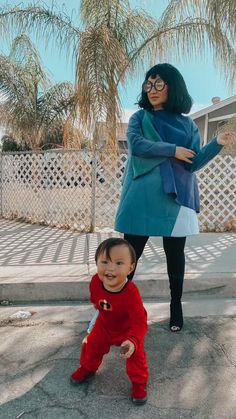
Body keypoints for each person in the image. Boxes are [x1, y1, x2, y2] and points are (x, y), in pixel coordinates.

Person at [115, 63, 236, 333]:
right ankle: (116, 310)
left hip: (177, 197)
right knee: (128, 257)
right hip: (142, 198)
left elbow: (192, 163)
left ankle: (176, 306)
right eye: (149, 84)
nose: (152, 90)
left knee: (175, 254)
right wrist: (173, 150)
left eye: (159, 84)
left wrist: (216, 143)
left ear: (173, 87)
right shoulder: (139, 118)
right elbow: (138, 146)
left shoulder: (187, 124)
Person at [70, 237, 148, 405]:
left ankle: (139, 383)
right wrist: (95, 322)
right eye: (105, 261)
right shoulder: (95, 282)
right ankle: (87, 368)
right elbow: (97, 302)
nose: (111, 268)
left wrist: (133, 340)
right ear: (96, 263)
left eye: (119, 263)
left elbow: (140, 322)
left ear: (130, 268)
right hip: (105, 325)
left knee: (136, 355)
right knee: (91, 345)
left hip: (127, 330)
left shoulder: (131, 293)